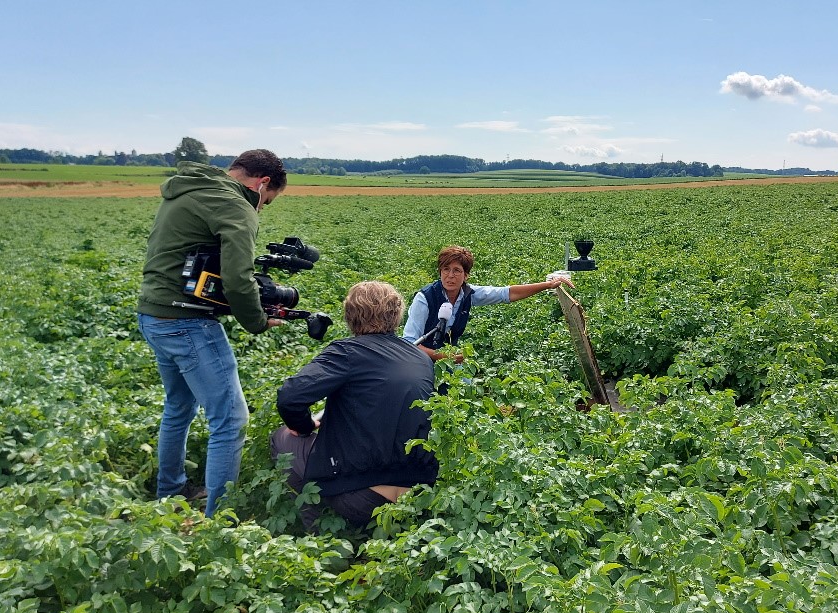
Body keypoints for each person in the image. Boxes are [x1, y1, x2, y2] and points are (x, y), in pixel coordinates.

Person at [137, 149, 288, 517]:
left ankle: (169, 493)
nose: (261, 208)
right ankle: (218, 523)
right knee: (231, 418)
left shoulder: (191, 188)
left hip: (153, 313)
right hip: (186, 321)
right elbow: (239, 279)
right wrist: (256, 320)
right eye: (266, 201)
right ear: (261, 183)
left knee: (179, 406)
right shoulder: (236, 205)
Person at [271, 281, 436, 532]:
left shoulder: (347, 352)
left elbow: (289, 398)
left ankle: (315, 531)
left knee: (282, 439)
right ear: (396, 314)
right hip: (418, 493)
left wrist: (304, 426)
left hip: (360, 498)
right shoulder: (421, 357)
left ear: (350, 315)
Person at [402, 245, 574, 362]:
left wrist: (547, 285)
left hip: (447, 361)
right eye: (446, 270)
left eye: (457, 271)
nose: (450, 276)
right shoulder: (424, 298)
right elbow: (409, 343)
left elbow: (505, 293)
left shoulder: (468, 294)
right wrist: (442, 356)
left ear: (466, 275)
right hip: (419, 361)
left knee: (463, 387)